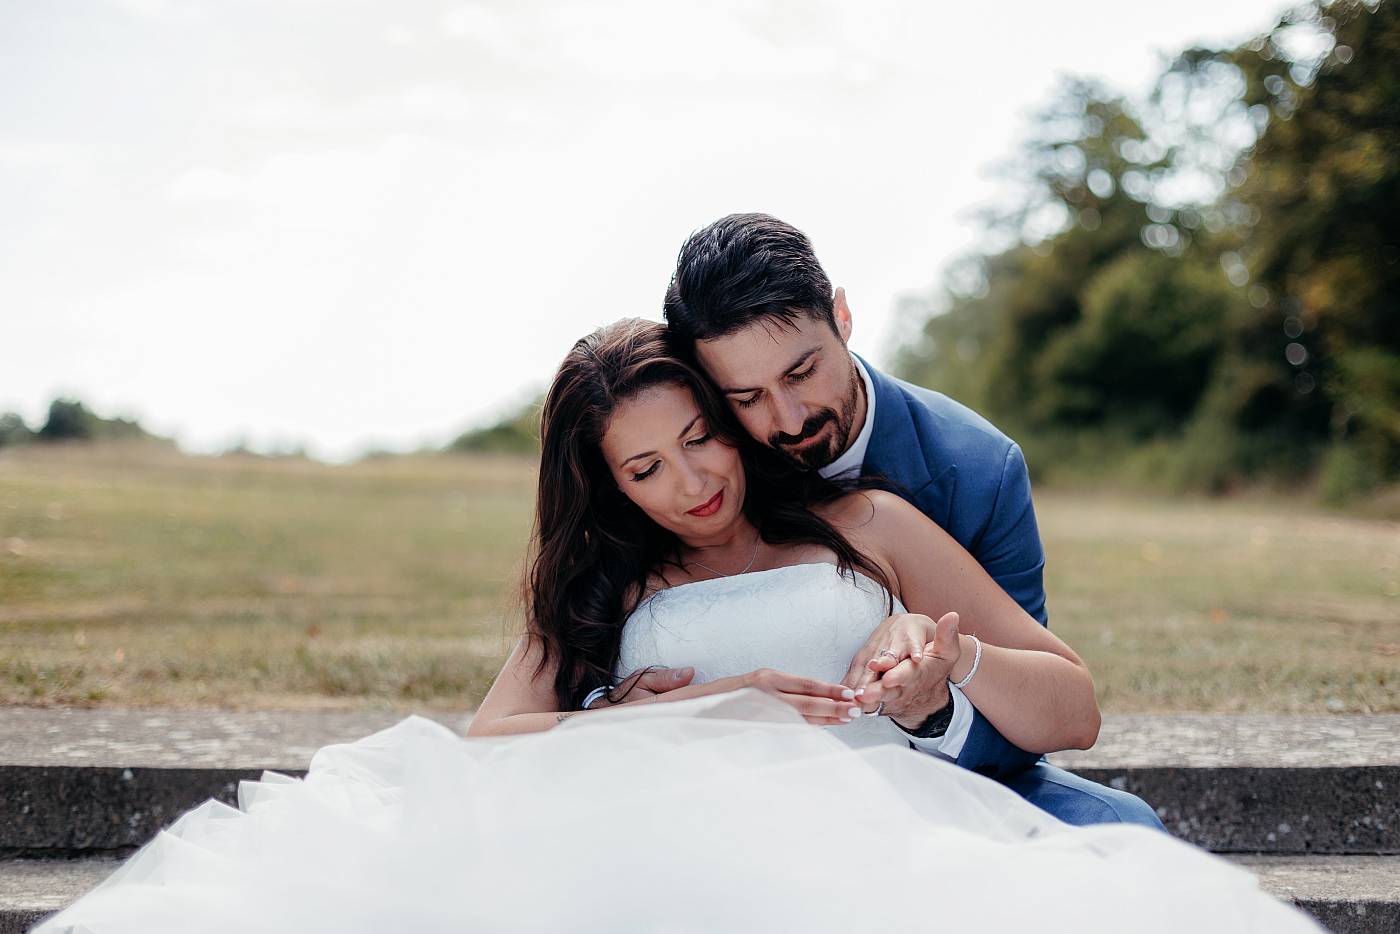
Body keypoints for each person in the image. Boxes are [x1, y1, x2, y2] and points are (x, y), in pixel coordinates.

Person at [36, 318, 1320, 933]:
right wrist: (661, 711)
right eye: (644, 468)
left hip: (877, 817)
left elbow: (1071, 700)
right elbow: (489, 739)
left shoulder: (867, 523)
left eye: (700, 436)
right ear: (608, 484)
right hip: (654, 833)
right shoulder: (611, 578)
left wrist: (945, 662)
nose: (691, 482)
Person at [590, 211, 1159, 828]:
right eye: (746, 398)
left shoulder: (976, 471)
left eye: (802, 373)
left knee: (1123, 830)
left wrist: (935, 702)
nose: (787, 420)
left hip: (933, 785)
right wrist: (609, 706)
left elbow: (1034, 718)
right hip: (704, 809)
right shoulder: (687, 469)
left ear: (842, 316)